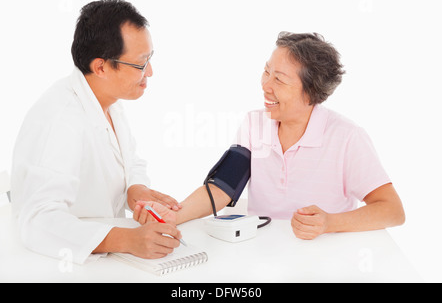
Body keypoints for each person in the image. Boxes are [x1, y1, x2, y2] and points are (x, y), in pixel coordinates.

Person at [134, 32, 405, 240]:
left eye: (280, 80)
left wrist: (329, 223)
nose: (265, 86)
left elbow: (392, 210)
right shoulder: (255, 123)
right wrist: (173, 215)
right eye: (266, 72)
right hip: (261, 252)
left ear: (311, 94)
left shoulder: (347, 137)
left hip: (324, 257)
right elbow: (223, 187)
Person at [11, 0, 182, 264]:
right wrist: (127, 240)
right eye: (140, 64)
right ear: (101, 67)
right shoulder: (62, 121)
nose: (150, 72)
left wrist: (134, 188)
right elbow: (38, 220)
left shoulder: (106, 99)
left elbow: (129, 159)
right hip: (59, 264)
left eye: (149, 59)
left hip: (106, 258)